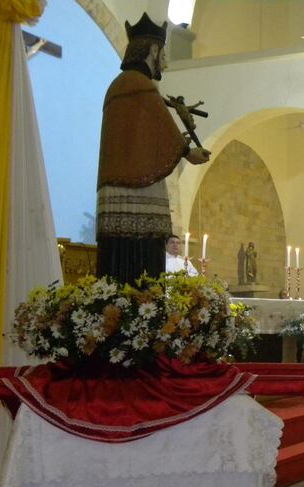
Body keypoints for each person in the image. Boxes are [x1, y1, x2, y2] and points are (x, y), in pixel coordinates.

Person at [96, 13, 210, 284]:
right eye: (164, 53)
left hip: (118, 184)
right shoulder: (141, 85)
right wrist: (187, 151)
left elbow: (144, 135)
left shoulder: (117, 86)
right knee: (142, 262)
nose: (166, 62)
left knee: (118, 262)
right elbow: (162, 128)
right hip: (138, 190)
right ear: (154, 49)